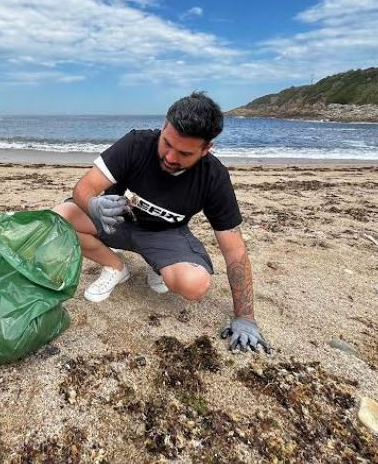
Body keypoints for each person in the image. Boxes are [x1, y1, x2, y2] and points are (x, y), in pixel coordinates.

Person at [53, 91, 270, 353]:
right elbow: (85, 186)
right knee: (60, 217)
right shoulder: (136, 143)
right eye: (167, 143)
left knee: (194, 284)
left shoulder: (213, 177)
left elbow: (234, 250)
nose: (170, 157)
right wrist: (92, 204)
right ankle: (115, 267)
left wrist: (245, 317)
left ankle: (157, 265)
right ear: (164, 125)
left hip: (164, 234)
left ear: (206, 149)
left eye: (184, 153)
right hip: (114, 220)